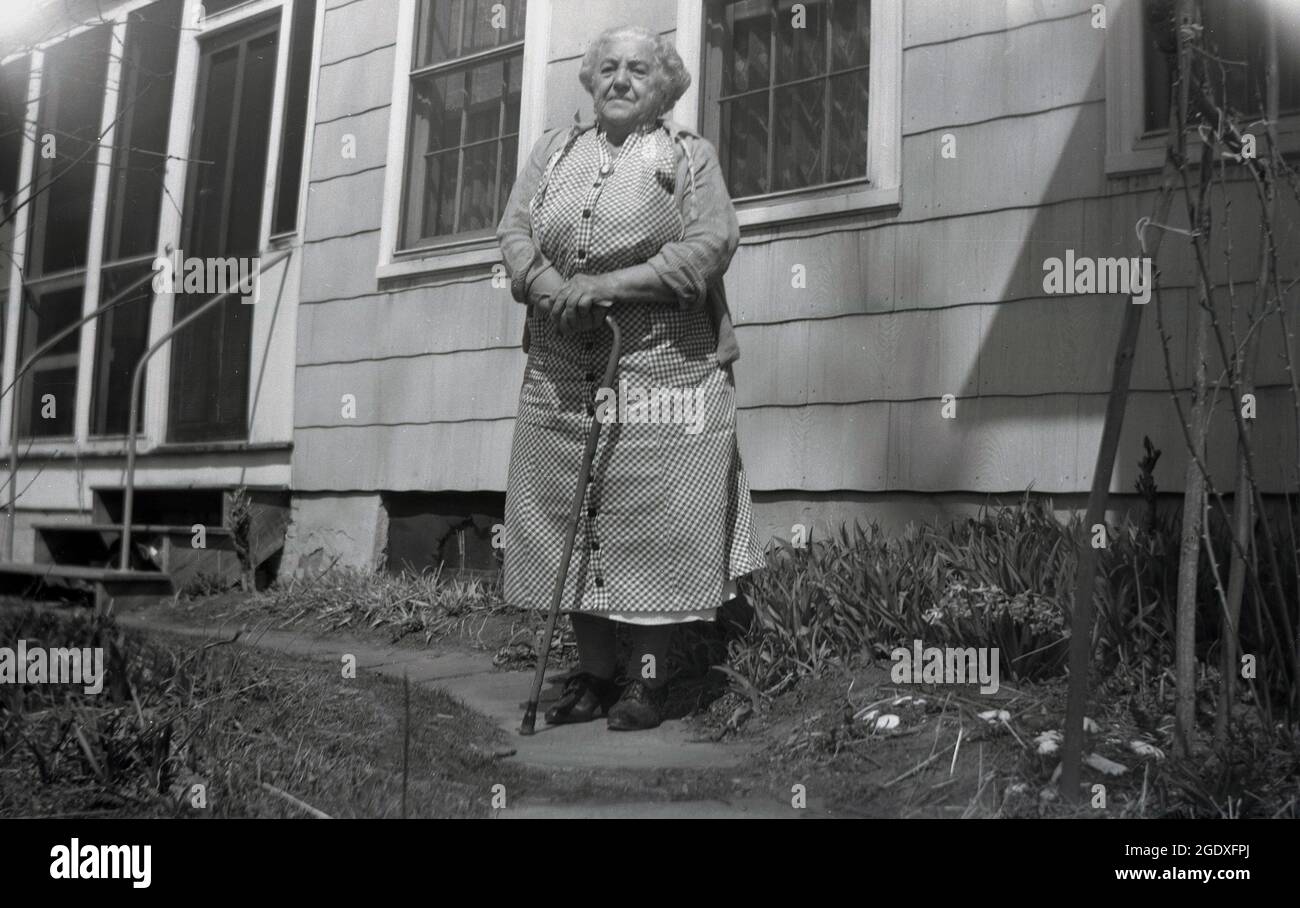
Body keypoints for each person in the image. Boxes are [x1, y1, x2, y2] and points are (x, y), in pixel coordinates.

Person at [495, 24, 765, 731]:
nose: (620, 79)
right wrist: (549, 282)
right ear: (590, 79)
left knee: (653, 519)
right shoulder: (554, 151)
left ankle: (647, 683)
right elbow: (514, 233)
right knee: (565, 517)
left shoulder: (687, 155)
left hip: (661, 368)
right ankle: (594, 676)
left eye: (637, 69)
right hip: (560, 367)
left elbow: (710, 246)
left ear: (663, 84)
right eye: (607, 67)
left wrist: (611, 284)